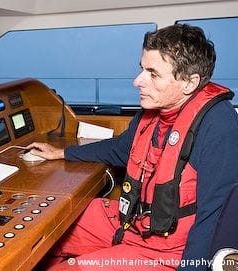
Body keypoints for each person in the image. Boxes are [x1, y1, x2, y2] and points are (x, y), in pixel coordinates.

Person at [28, 24, 238, 271]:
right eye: (141, 69)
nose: (137, 81)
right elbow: (122, 149)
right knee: (48, 224)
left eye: (153, 73)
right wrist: (62, 153)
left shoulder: (219, 126)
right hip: (134, 220)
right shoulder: (153, 112)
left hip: (169, 249)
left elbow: (215, 218)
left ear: (189, 83)